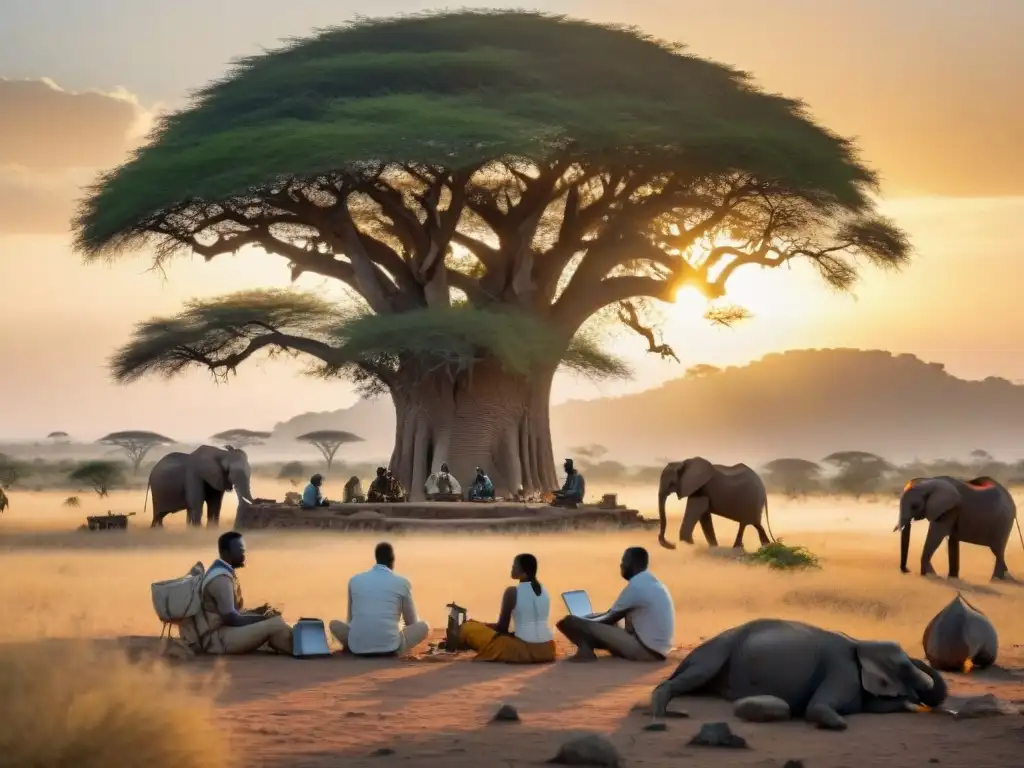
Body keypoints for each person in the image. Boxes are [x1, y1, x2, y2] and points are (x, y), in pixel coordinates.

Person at [555, 546, 674, 662]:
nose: (621, 565)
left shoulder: (637, 586)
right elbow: (611, 615)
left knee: (568, 622)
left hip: (645, 650)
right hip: (657, 649)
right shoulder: (651, 581)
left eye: (624, 561)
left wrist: (580, 622)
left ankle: (585, 652)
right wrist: (588, 620)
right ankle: (585, 645)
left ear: (634, 563)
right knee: (592, 620)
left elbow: (608, 618)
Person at [187, 531, 293, 655]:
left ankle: (295, 646)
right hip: (217, 639)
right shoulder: (221, 579)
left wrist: (257, 612)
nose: (244, 555)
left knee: (271, 618)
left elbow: (228, 613)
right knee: (276, 624)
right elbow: (231, 619)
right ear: (227, 553)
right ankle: (301, 650)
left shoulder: (221, 571)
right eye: (240, 551)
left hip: (221, 633)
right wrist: (262, 619)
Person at [451, 553, 556, 663]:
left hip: (523, 651)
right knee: (476, 627)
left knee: (467, 627)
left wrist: (481, 624)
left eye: (514, 566)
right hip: (547, 649)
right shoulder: (544, 591)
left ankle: (455, 644)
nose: (512, 568)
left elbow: (502, 628)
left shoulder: (512, 592)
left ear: (524, 571)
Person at [329, 542, 430, 656]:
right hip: (391, 648)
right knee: (425, 626)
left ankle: (357, 646)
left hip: (357, 647)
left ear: (376, 559)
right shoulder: (402, 582)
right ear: (393, 560)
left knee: (334, 624)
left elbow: (351, 620)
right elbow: (411, 622)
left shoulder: (355, 581)